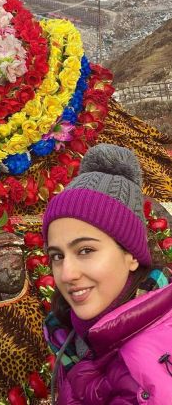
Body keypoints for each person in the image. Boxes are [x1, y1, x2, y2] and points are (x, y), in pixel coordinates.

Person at [43, 143, 172, 404]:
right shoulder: (74, 338)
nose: (66, 274)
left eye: (86, 250)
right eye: (57, 256)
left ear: (131, 255)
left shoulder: (154, 354)